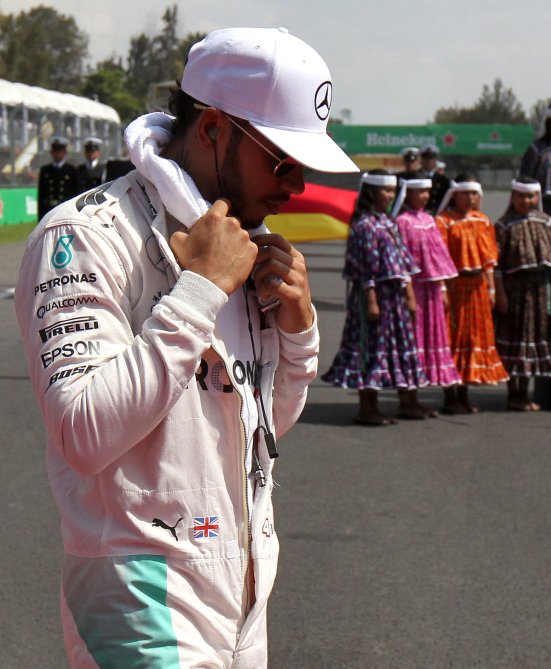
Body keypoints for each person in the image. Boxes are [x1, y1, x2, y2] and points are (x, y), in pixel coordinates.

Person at [14, 27, 354, 666]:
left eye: (304, 164)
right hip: (137, 586)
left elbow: (263, 429)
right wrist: (198, 291)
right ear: (214, 129)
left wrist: (299, 331)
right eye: (282, 160)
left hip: (242, 584)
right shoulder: (86, 236)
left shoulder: (247, 245)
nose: (298, 185)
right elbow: (83, 432)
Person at [323, 170, 429, 422]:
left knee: (401, 347)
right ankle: (367, 407)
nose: (390, 196)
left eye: (392, 191)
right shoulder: (364, 226)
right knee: (370, 347)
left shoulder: (388, 222)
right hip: (375, 297)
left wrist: (409, 294)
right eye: (385, 190)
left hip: (395, 298)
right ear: (371, 192)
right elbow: (363, 268)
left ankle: (408, 402)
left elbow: (403, 263)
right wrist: (371, 300)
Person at [436, 175, 509, 412]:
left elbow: (489, 260)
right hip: (455, 286)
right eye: (465, 193)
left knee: (472, 339)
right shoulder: (444, 221)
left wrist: (491, 288)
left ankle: (464, 394)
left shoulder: (482, 220)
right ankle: (450, 397)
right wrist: (444, 289)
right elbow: (441, 260)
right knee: (453, 338)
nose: (470, 198)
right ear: (454, 195)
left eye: (474, 194)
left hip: (477, 288)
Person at [494, 177, 551, 411]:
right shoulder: (504, 225)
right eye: (521, 196)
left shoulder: (546, 222)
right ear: (513, 198)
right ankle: (514, 394)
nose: (526, 201)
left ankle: (526, 392)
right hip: (516, 290)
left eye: (530, 196)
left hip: (540, 290)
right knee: (516, 339)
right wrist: (500, 294)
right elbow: (497, 265)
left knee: (535, 338)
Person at [394, 172, 462, 392]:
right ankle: (409, 395)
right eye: (419, 191)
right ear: (407, 193)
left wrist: (442, 288)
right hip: (413, 289)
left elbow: (438, 257)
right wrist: (407, 292)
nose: (424, 196)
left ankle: (433, 387)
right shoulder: (402, 222)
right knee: (413, 338)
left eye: (427, 191)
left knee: (435, 336)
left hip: (431, 289)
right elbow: (400, 260)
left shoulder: (429, 220)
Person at [37, 135, 79, 219]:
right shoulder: (45, 170)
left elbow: (76, 193)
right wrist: (40, 217)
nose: (57, 154)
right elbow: (41, 195)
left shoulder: (71, 170)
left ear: (64, 152)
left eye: (59, 151)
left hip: (65, 211)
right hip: (48, 210)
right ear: (51, 152)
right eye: (55, 151)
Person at [419, 144, 451, 213]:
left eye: (431, 158)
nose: (429, 161)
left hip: (437, 214)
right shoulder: (414, 178)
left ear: (436, 160)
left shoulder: (444, 180)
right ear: (421, 160)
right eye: (426, 158)